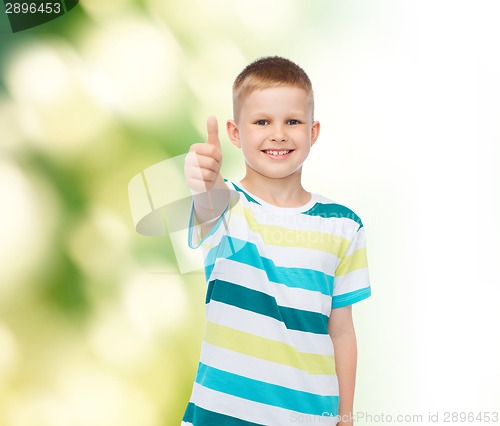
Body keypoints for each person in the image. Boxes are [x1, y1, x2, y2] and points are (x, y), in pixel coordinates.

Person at [182, 56, 371, 426]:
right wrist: (203, 182)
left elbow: (343, 330)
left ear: (313, 132)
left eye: (293, 122)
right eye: (262, 122)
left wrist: (345, 418)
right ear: (236, 133)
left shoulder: (344, 225)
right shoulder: (227, 207)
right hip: (219, 416)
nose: (279, 134)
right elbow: (206, 206)